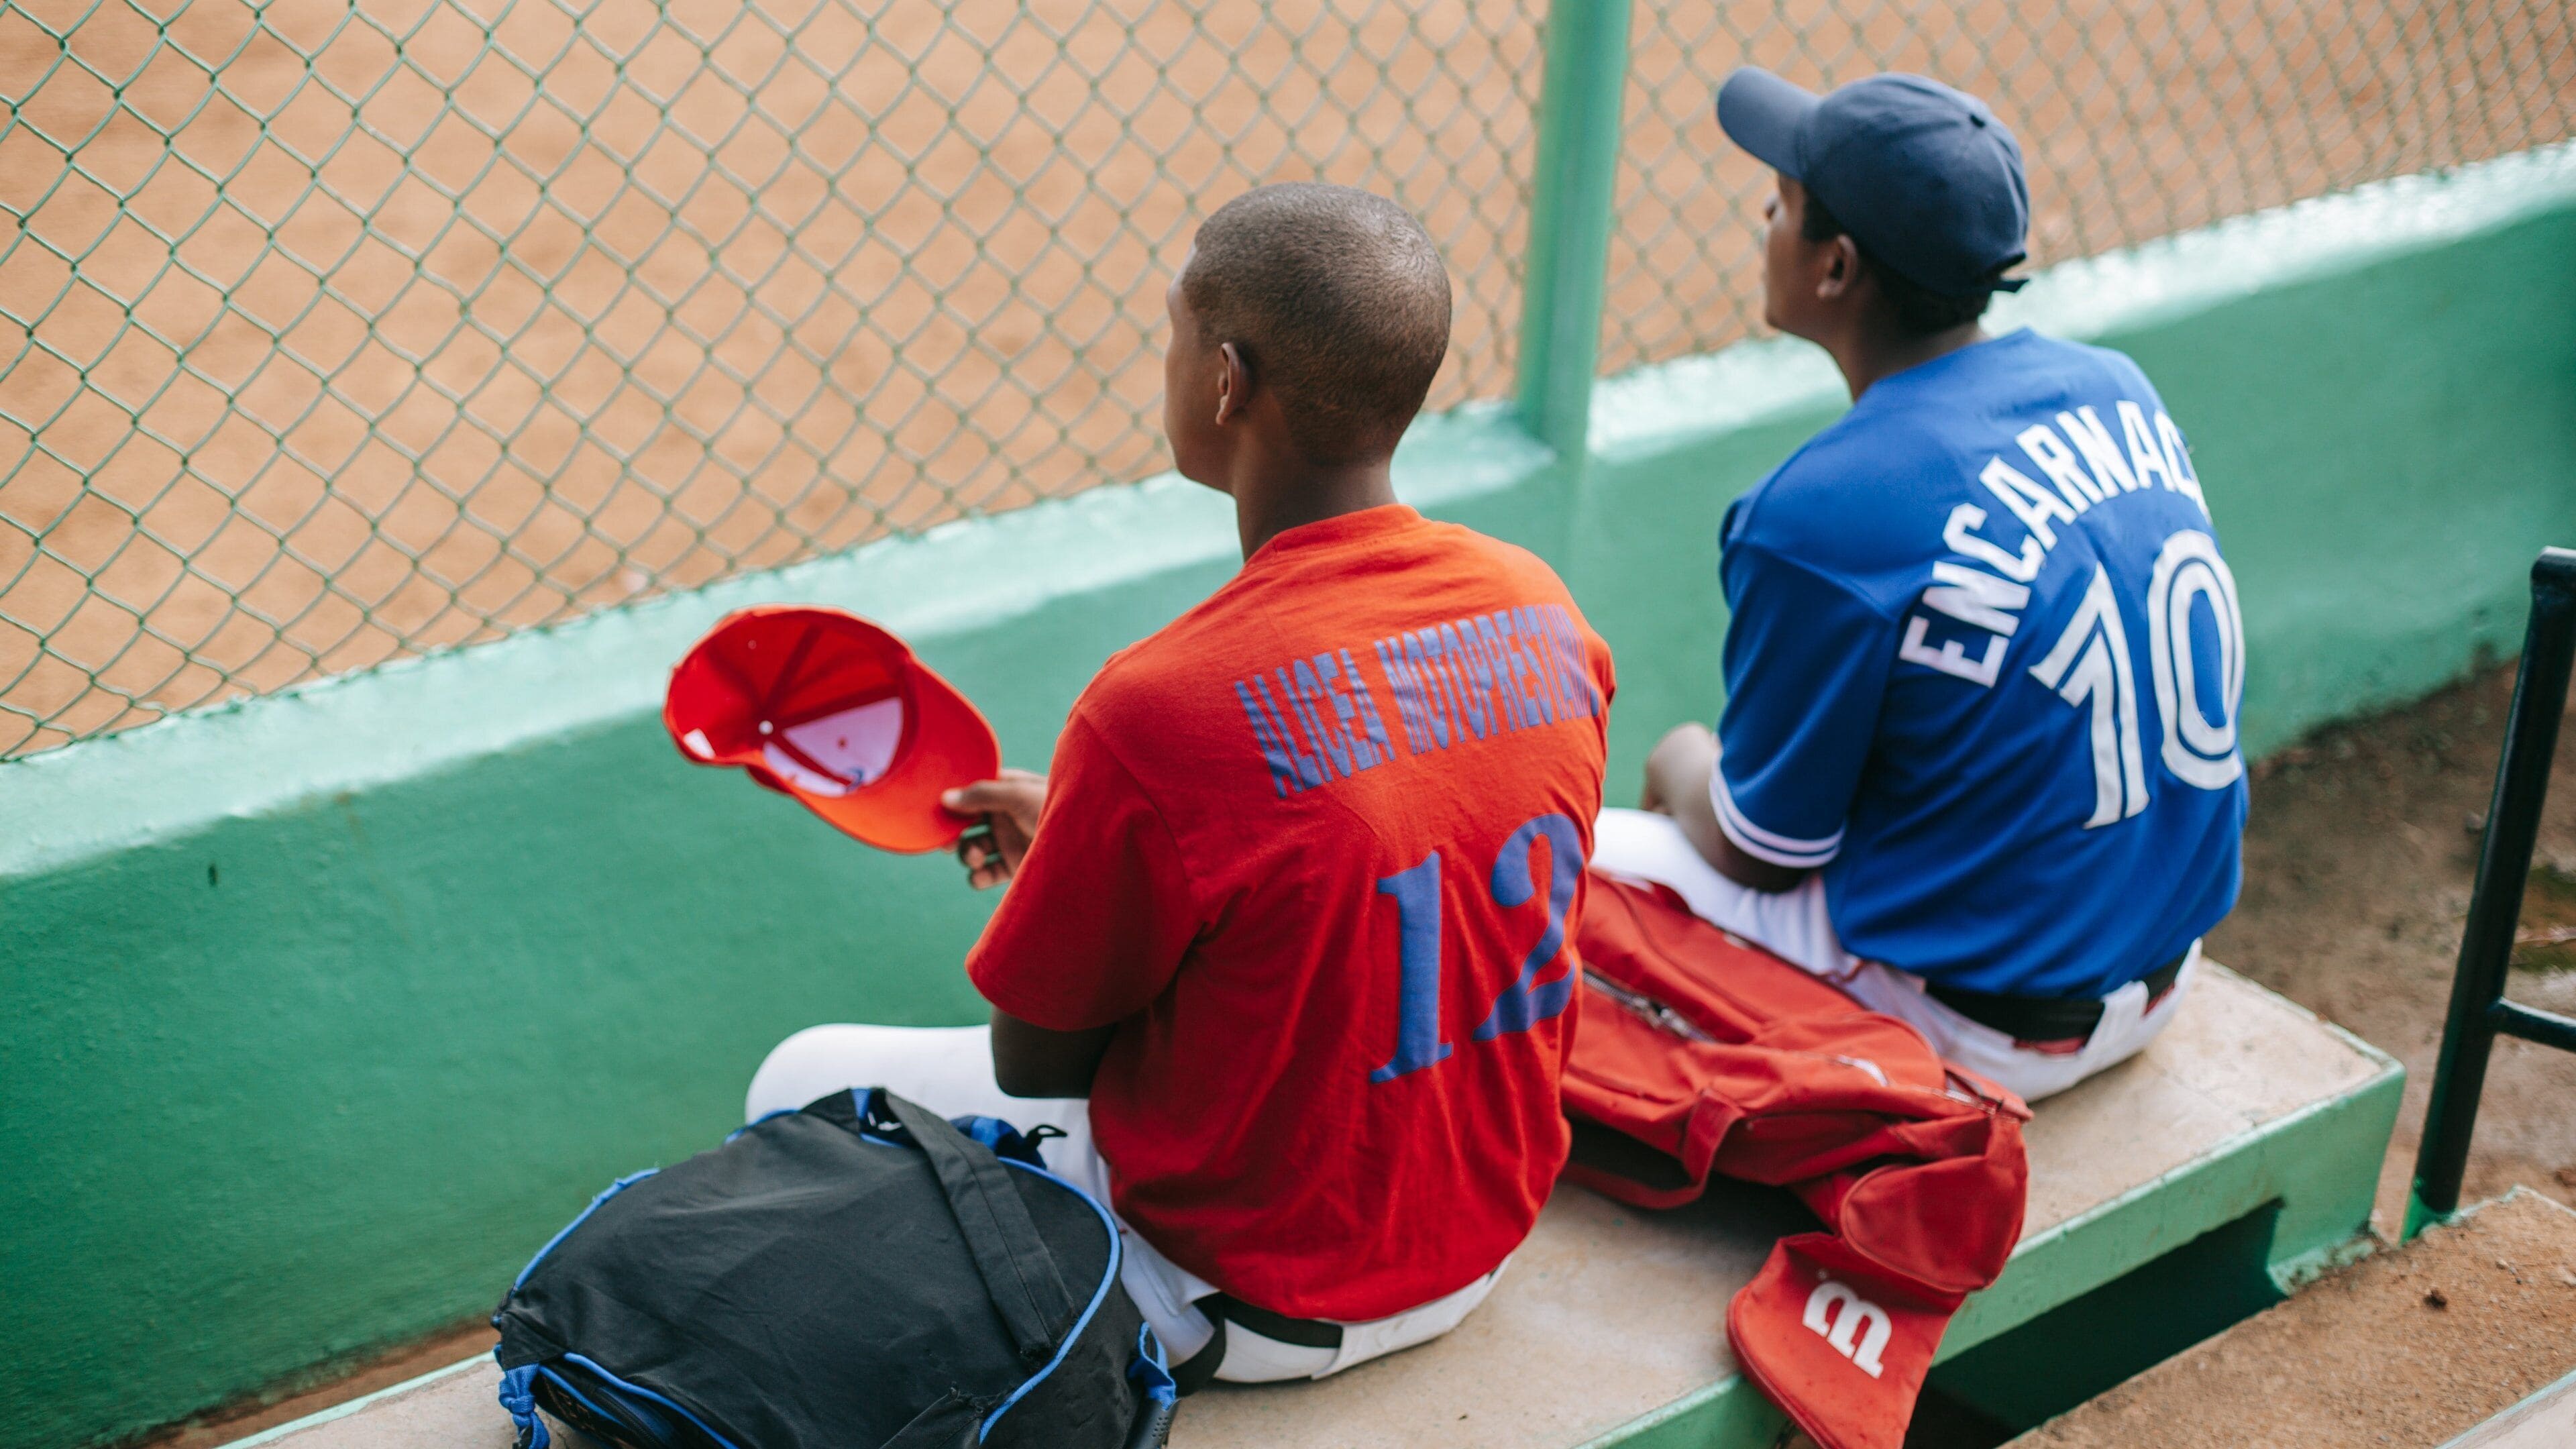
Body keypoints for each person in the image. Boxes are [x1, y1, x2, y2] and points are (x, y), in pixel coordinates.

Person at [747, 182, 1617, 1388]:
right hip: (1479, 1246)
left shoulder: (1158, 708)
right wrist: (1102, 843)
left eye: (1173, 336)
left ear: (1225, 381)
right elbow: (1350, 844)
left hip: (1242, 1303)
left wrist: (1076, 874)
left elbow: (1038, 1067)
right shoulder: (1541, 609)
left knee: (794, 1078)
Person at [1604, 68, 2247, 1104]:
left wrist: (1678, 761)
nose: (1767, 214)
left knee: (1556, 866)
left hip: (1979, 1030)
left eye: (1786, 204)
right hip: (2165, 969)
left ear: (1836, 268)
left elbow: (1764, 853)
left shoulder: (1817, 514)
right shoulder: (2116, 386)